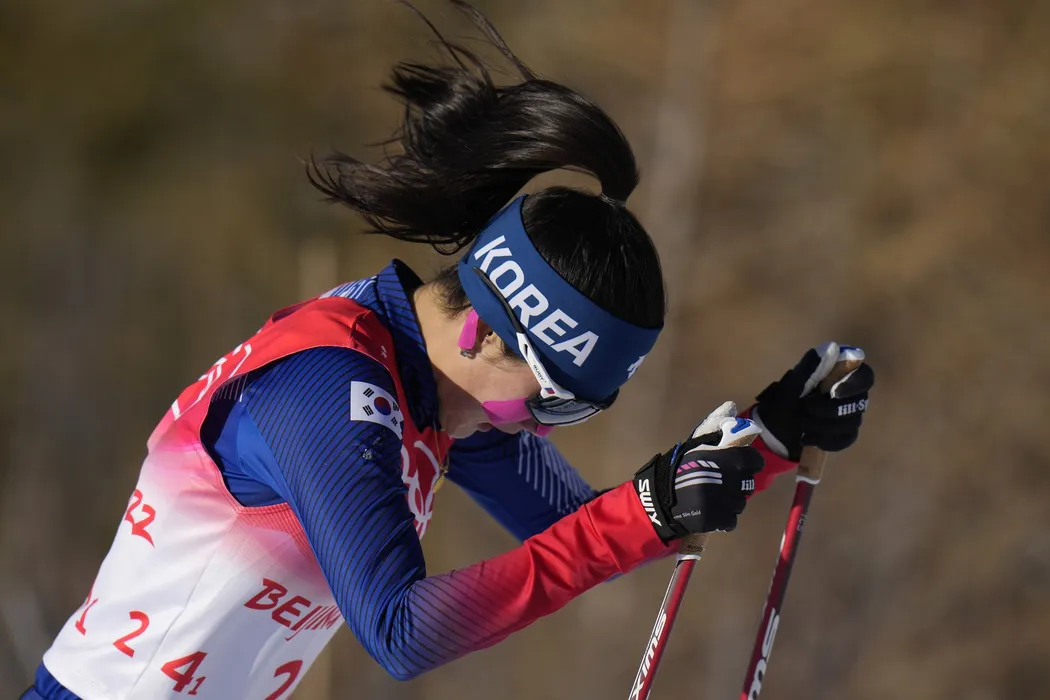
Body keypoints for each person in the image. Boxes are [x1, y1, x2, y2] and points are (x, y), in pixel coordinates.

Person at [22, 2, 874, 698]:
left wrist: (762, 442)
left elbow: (581, 532)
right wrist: (646, 510)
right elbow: (402, 633)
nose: (542, 428)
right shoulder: (327, 389)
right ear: (484, 329)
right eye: (555, 399)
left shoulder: (433, 389)